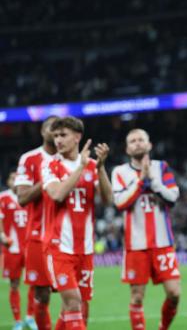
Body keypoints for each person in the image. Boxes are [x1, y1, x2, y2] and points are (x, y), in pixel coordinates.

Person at [41, 116, 112, 330]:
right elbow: (58, 194)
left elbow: (108, 200)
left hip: (85, 249)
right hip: (58, 247)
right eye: (55, 136)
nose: (58, 141)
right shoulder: (50, 165)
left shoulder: (91, 166)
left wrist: (100, 168)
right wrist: (80, 168)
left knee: (77, 308)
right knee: (73, 303)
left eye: (63, 135)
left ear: (77, 137)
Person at [111, 129, 181, 330]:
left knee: (174, 293)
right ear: (127, 149)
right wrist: (141, 180)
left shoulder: (162, 168)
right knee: (137, 297)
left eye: (141, 139)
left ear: (149, 145)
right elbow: (121, 202)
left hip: (163, 244)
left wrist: (153, 181)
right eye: (132, 141)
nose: (137, 143)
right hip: (136, 245)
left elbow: (173, 197)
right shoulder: (119, 172)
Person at [15, 115, 60, 330]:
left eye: (61, 130)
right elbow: (22, 198)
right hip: (38, 235)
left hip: (67, 236)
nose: (56, 133)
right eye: (52, 128)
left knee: (76, 294)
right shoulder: (29, 159)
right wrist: (47, 180)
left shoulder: (73, 161)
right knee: (42, 295)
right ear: (43, 131)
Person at [0, 171, 32, 330]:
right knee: (14, 284)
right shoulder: (3, 198)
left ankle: (30, 317)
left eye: (18, 178)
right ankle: (18, 320)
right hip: (12, 249)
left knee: (35, 282)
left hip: (30, 247)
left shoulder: (29, 196)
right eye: (12, 178)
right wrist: (2, 236)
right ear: (8, 181)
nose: (15, 181)